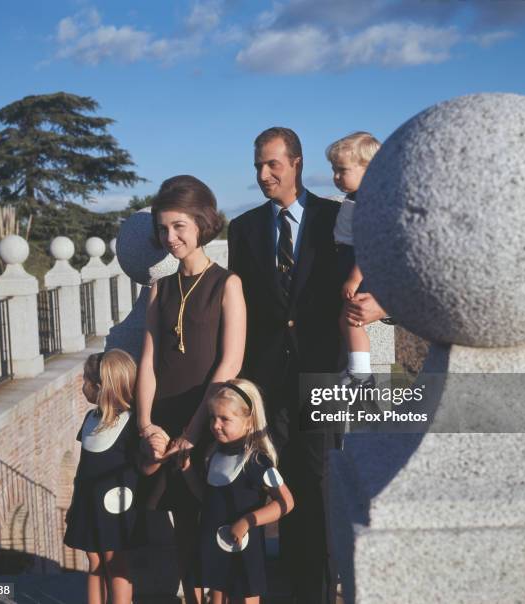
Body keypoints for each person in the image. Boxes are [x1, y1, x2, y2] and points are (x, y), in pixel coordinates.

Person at [228, 126, 387, 603]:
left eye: (273, 164)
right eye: (258, 165)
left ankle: (317, 594)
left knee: (316, 490)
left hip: (322, 373)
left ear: (295, 163)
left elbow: (383, 263)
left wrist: (381, 306)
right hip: (266, 382)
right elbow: (239, 307)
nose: (263, 174)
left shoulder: (337, 217)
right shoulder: (243, 229)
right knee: (273, 487)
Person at [136, 175, 246, 603]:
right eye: (163, 228)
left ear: (201, 223)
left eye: (179, 226)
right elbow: (147, 361)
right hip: (163, 423)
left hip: (210, 422)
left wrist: (193, 431)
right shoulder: (158, 288)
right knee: (180, 527)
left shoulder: (227, 284)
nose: (170, 237)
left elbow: (229, 364)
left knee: (213, 524)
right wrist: (146, 425)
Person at [186, 379, 294, 604]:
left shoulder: (256, 461)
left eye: (224, 419)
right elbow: (206, 498)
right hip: (216, 546)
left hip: (245, 550)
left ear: (248, 421)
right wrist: (186, 470)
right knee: (217, 596)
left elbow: (285, 502)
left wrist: (247, 521)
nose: (216, 425)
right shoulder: (212, 456)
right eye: (213, 418)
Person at [64, 349, 143, 604]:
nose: (82, 385)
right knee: (94, 560)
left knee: (115, 562)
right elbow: (83, 468)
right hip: (87, 502)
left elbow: (143, 467)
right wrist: (75, 505)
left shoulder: (131, 425)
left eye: (86, 381)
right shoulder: (90, 418)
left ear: (100, 387)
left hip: (115, 508)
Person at [326, 131, 381, 387]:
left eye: (342, 170)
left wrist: (353, 278)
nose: (335, 177)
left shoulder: (369, 203)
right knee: (345, 319)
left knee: (350, 319)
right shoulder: (354, 199)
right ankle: (357, 370)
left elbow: (369, 244)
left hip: (357, 265)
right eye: (334, 170)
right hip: (345, 258)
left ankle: (361, 372)